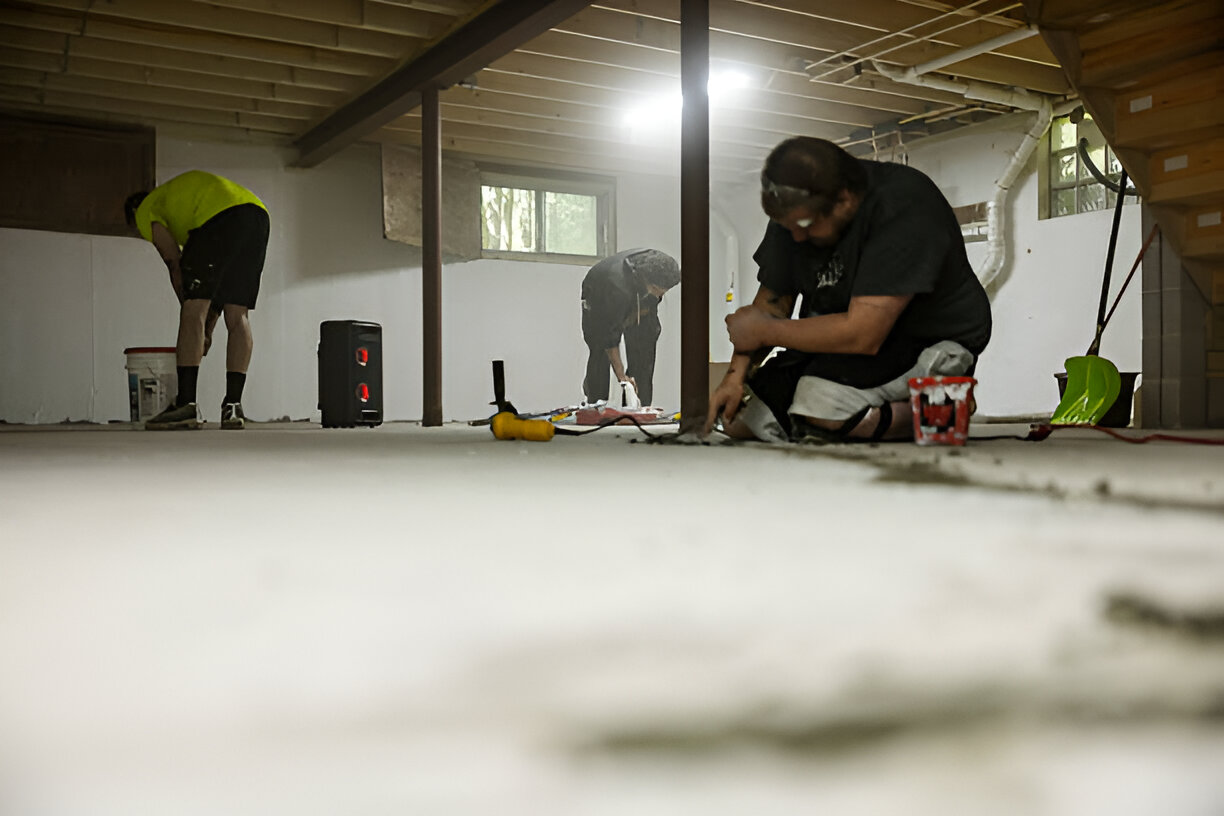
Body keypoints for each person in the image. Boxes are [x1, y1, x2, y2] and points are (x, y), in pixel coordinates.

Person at [704, 136, 991, 443]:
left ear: (844, 199)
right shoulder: (794, 214)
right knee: (740, 420)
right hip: (836, 340)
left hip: (923, 336)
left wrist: (764, 332)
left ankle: (943, 409)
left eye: (806, 224)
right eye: (790, 227)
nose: (797, 237)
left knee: (821, 407)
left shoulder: (902, 205)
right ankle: (830, 411)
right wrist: (735, 377)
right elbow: (771, 307)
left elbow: (863, 334)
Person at [124, 170, 269, 430]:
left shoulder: (145, 209)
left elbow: (173, 262)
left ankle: (186, 405)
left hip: (219, 217)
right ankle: (233, 406)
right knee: (238, 315)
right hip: (257, 216)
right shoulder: (176, 201)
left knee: (192, 309)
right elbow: (216, 291)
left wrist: (190, 307)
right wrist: (207, 330)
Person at [580, 248, 681, 407]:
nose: (661, 295)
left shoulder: (657, 267)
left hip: (636, 292)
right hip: (599, 295)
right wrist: (621, 377)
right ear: (647, 281)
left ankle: (640, 405)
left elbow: (653, 299)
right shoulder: (615, 286)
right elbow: (610, 337)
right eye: (658, 290)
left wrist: (639, 312)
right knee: (600, 349)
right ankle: (596, 403)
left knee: (645, 343)